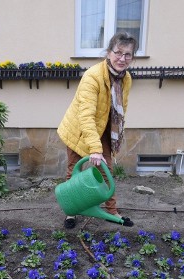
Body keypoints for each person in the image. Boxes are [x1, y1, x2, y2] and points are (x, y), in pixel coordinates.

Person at [57, 32, 137, 229]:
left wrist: (112, 138)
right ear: (109, 53)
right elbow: (86, 115)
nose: (122, 58)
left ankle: (111, 211)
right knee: (74, 170)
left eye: (128, 54)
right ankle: (71, 211)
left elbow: (121, 110)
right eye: (118, 52)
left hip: (104, 130)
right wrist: (94, 148)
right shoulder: (92, 76)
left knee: (106, 170)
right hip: (79, 129)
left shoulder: (126, 79)